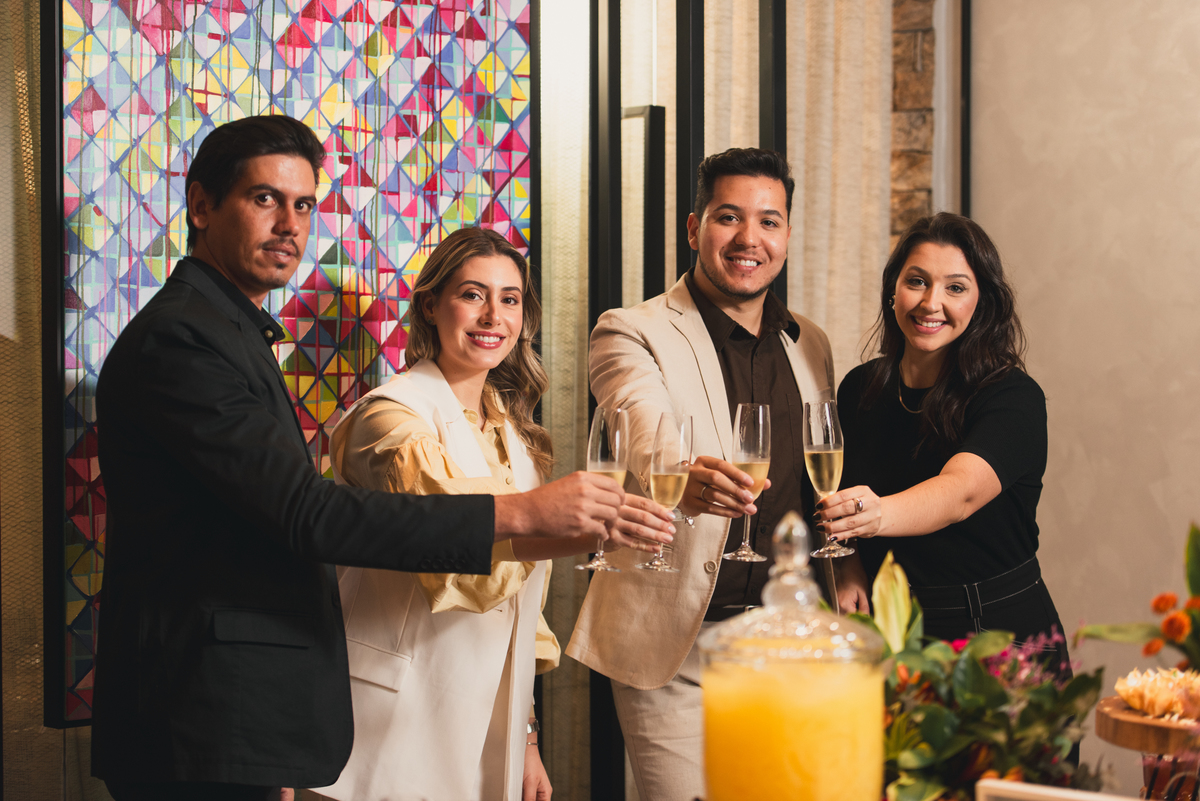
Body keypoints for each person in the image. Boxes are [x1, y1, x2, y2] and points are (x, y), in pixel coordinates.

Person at [91, 115, 672, 801]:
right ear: (201, 205)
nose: (289, 224)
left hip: (248, 722)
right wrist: (527, 513)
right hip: (206, 717)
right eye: (264, 198)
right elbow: (309, 516)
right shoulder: (185, 340)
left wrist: (524, 729)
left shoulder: (231, 332)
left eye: (303, 204)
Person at [310, 228, 671, 801]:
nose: (492, 317)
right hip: (384, 727)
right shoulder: (388, 419)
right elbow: (450, 543)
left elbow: (520, 607)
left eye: (509, 299)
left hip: (485, 733)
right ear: (430, 305)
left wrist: (525, 738)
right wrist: (573, 527)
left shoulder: (516, 435)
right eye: (472, 294)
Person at [566, 148, 836, 801]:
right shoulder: (629, 330)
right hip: (675, 647)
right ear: (695, 228)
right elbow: (640, 421)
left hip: (787, 640)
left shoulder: (810, 342)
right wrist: (680, 476)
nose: (749, 239)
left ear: (787, 236)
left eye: (769, 221)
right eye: (728, 217)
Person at [817, 212, 1069, 668]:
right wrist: (846, 563)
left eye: (955, 288)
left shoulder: (1012, 396)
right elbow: (834, 489)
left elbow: (960, 493)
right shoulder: (860, 387)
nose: (931, 303)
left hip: (995, 629)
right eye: (917, 281)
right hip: (892, 625)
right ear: (893, 289)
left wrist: (875, 515)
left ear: (981, 301)